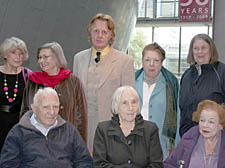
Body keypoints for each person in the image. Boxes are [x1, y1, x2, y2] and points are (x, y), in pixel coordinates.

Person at [73, 13, 136, 150]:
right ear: (90, 33)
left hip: (112, 127)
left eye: (104, 32)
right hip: (84, 126)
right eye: (96, 31)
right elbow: (75, 95)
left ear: (111, 35)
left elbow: (130, 101)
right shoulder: (79, 58)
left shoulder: (124, 61)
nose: (99, 35)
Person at [0, 87, 92, 167]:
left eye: (55, 107)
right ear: (34, 108)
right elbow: (8, 164)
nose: (52, 112)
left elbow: (84, 161)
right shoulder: (18, 132)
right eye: (46, 107)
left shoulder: (69, 131)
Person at [20, 42, 88, 142]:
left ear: (57, 57)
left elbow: (81, 115)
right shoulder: (33, 81)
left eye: (45, 57)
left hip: (66, 141)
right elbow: (25, 112)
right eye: (39, 57)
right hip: (37, 140)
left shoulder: (73, 81)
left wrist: (80, 143)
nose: (41, 61)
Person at [93, 86, 163, 167]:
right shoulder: (103, 130)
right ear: (116, 106)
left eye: (134, 102)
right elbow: (99, 164)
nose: (130, 108)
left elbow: (157, 164)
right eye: (124, 103)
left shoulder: (150, 129)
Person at [135, 42, 179, 159]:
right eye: (147, 60)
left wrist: (177, 146)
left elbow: (177, 115)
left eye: (156, 60)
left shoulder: (171, 84)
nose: (151, 64)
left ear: (162, 63)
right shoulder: (132, 80)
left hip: (160, 145)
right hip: (134, 143)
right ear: (142, 61)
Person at [179, 34, 225, 137]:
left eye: (203, 48)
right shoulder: (186, 76)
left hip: (215, 138)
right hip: (188, 137)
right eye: (196, 48)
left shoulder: (221, 72)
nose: (200, 52)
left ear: (211, 50)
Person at [164, 100, 225, 168]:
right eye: (202, 120)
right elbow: (169, 163)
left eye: (211, 122)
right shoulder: (190, 136)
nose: (205, 125)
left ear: (220, 126)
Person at [0, 37, 32, 151]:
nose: (18, 57)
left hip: (20, 124)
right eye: (14, 53)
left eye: (21, 54)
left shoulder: (28, 75)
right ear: (5, 55)